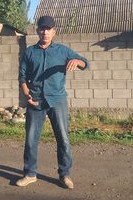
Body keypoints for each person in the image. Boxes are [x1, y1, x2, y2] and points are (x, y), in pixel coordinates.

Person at [17, 15, 89, 189]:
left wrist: (77, 61)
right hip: (36, 101)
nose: (45, 32)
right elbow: (22, 77)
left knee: (63, 138)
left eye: (48, 29)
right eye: (42, 28)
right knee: (31, 139)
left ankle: (65, 175)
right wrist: (26, 93)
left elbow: (85, 63)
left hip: (57, 101)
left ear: (53, 32)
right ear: (37, 31)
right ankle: (30, 174)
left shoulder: (63, 51)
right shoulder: (30, 52)